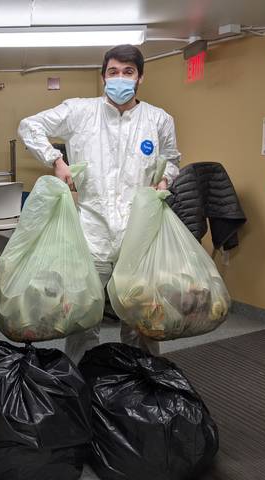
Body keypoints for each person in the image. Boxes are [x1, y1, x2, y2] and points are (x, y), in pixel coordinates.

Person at [18, 44, 181, 363]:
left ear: (140, 78)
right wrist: (55, 160)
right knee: (84, 315)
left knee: (140, 317)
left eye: (128, 72)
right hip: (91, 234)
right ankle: (82, 378)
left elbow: (172, 158)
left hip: (138, 235)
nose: (120, 78)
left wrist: (164, 179)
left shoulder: (158, 120)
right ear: (104, 76)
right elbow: (29, 126)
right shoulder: (80, 111)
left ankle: (142, 379)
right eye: (113, 72)